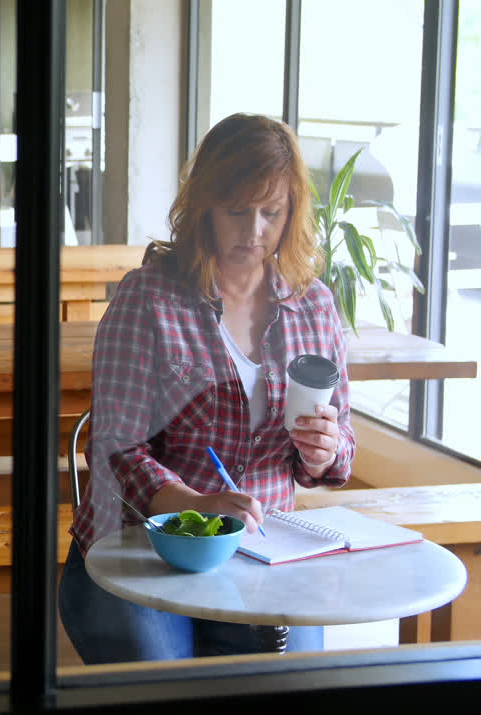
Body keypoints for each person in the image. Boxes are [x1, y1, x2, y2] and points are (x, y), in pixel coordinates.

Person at [58, 113, 356, 663]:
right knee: (171, 691)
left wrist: (325, 450)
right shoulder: (150, 297)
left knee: (297, 684)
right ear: (204, 207)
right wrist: (198, 505)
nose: (253, 231)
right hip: (141, 550)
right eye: (236, 211)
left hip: (260, 555)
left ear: (292, 214)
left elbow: (337, 454)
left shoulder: (313, 306)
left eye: (272, 213)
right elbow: (117, 446)